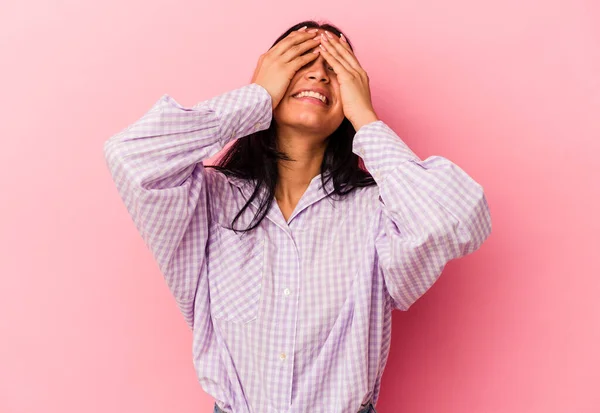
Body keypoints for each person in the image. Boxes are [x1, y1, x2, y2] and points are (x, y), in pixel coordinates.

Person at [103, 20, 492, 413]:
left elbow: (457, 217)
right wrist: (254, 98)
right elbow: (129, 156)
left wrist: (365, 119)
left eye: (335, 69)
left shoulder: (380, 211)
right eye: (299, 59)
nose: (318, 73)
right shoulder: (207, 199)